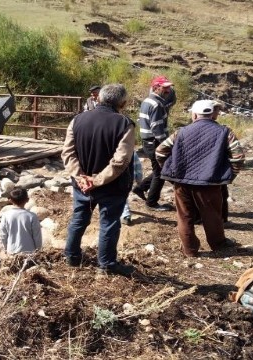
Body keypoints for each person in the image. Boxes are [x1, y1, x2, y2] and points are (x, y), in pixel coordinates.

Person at [61, 83, 136, 276]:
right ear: (123, 103)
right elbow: (121, 161)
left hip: (82, 185)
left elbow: (68, 153)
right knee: (109, 224)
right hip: (112, 186)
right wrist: (97, 180)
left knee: (79, 218)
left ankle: (71, 257)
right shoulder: (124, 124)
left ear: (99, 98)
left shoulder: (77, 120)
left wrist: (81, 177)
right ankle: (107, 265)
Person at [156, 100, 245, 257]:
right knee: (212, 216)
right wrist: (229, 176)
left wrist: (170, 172)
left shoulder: (180, 132)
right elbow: (238, 156)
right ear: (212, 114)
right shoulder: (225, 132)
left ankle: (189, 250)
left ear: (194, 114)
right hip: (210, 183)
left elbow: (160, 152)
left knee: (184, 217)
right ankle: (218, 245)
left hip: (182, 182)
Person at [132, 75, 176, 211]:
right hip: (155, 142)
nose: (168, 90)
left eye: (169, 87)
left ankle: (140, 188)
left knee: (159, 170)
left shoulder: (148, 101)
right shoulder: (157, 104)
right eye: (165, 88)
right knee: (161, 173)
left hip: (148, 141)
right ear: (156, 88)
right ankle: (152, 203)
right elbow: (157, 128)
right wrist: (166, 144)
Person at [0, 188, 42, 255]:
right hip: (29, 253)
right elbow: (37, 236)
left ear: (10, 200)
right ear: (27, 200)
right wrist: (38, 250)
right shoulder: (32, 216)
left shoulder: (6, 215)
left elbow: (3, 235)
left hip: (12, 252)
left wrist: (6, 248)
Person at [120, 152, 143, 225]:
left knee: (121, 197)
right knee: (123, 196)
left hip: (114, 178)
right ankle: (125, 214)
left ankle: (125, 215)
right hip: (128, 178)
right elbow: (137, 165)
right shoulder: (130, 149)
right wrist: (139, 179)